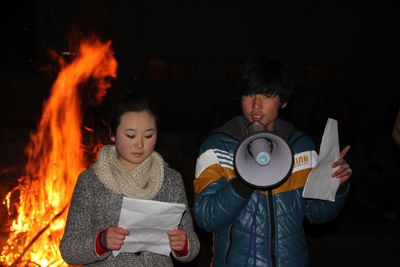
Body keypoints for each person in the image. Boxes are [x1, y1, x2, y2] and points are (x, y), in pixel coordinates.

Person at [193, 56, 352, 267]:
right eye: (249, 94)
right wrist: (244, 181)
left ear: (284, 101)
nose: (256, 104)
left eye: (267, 95)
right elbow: (206, 218)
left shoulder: (300, 147)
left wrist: (337, 186)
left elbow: (317, 213)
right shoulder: (217, 147)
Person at [60, 93, 200, 266]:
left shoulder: (171, 179)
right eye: (130, 136)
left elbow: (192, 246)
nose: (140, 145)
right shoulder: (91, 181)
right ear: (112, 134)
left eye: (149, 136)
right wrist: (101, 241)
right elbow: (69, 249)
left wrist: (182, 244)